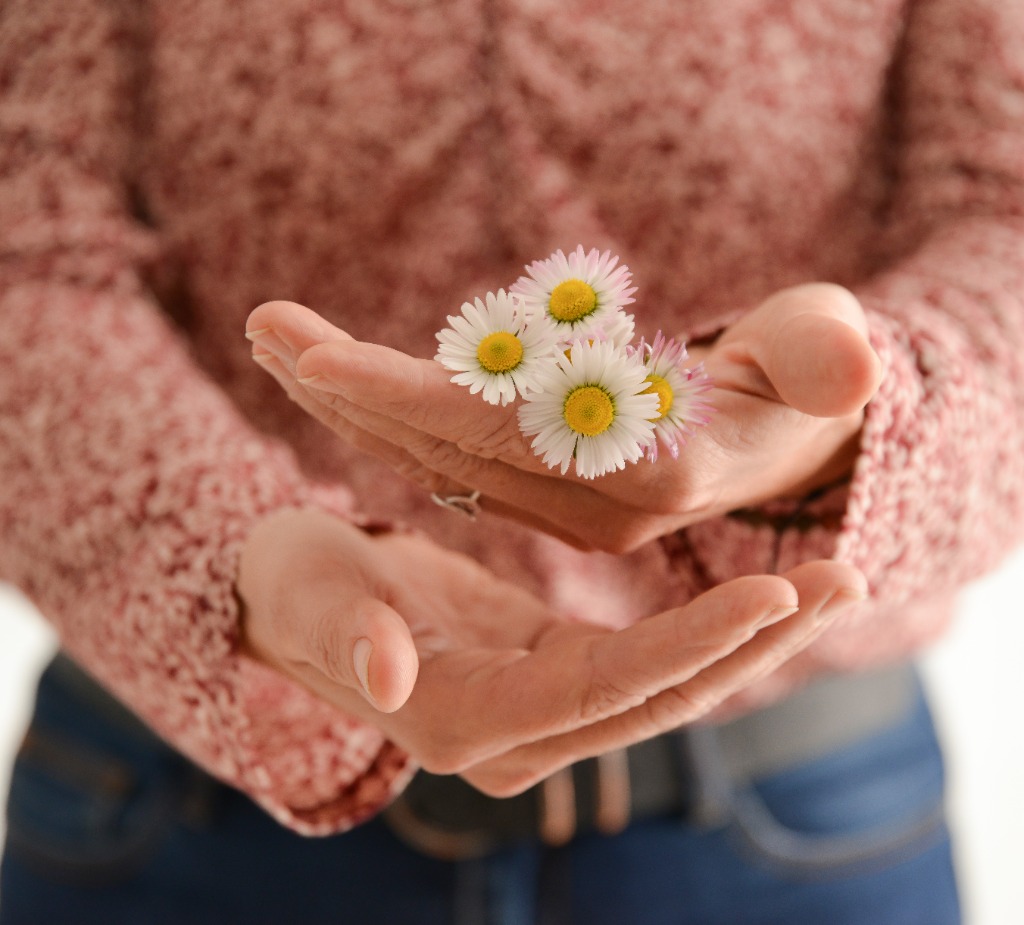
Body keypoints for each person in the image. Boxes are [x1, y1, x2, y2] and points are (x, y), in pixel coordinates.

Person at [0, 0, 1020, 922]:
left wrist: (846, 421)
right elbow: (26, 251)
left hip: (798, 826)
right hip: (177, 826)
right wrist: (230, 548)